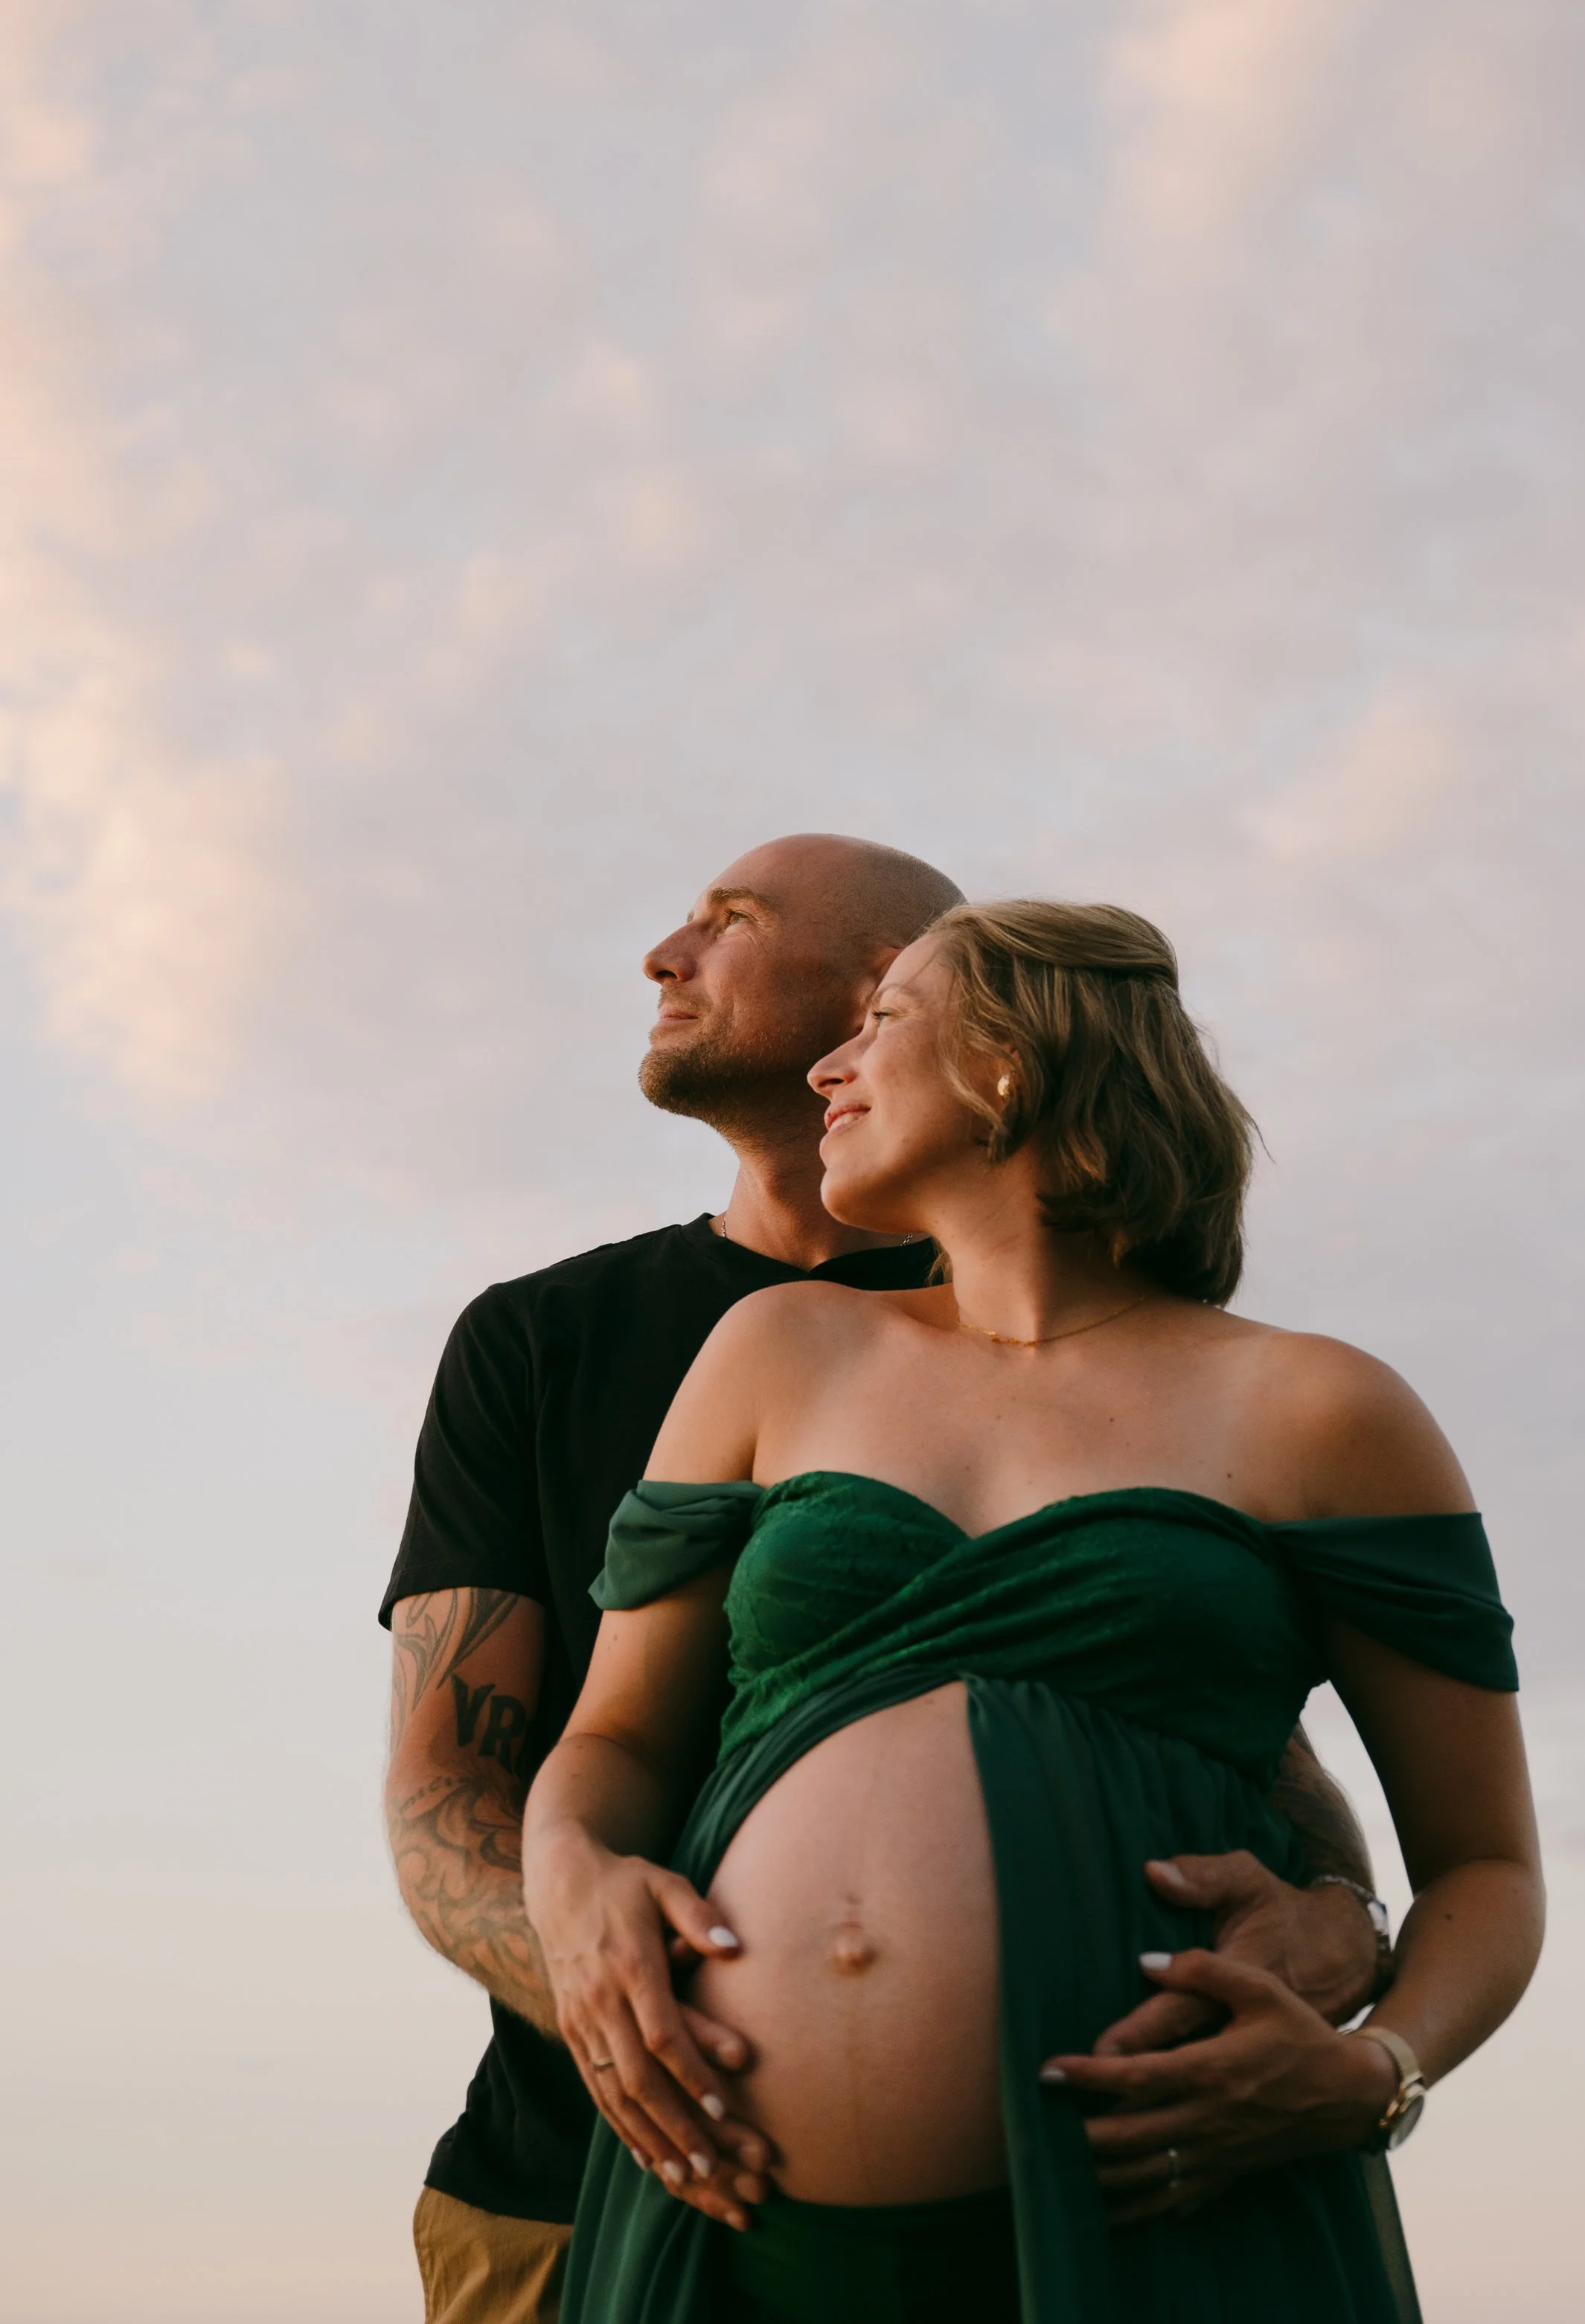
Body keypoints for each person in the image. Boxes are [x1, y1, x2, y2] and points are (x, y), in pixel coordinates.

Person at [382, 839, 1386, 2324]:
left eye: (727, 922)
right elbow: (443, 1792)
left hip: (1102, 2201)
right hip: (567, 2183)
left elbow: (1221, 1742)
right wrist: (692, 2041)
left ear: (886, 992)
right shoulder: (545, 1339)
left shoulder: (1107, 1362)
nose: (664, 954)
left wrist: (1345, 1923)